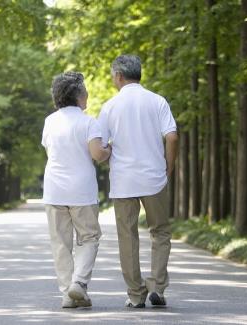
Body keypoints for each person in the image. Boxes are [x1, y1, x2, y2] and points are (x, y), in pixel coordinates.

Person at [98, 55, 178, 308]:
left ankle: (136, 294)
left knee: (128, 236)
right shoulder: (158, 101)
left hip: (123, 181)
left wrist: (109, 151)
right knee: (160, 232)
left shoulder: (110, 106)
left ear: (119, 76)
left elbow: (100, 147)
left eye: (113, 76)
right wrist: (169, 167)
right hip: (154, 177)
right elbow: (172, 137)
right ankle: (157, 287)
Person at [42, 71, 111, 308]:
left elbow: (50, 151)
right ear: (79, 95)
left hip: (54, 190)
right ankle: (79, 283)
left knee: (60, 243)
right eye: (85, 90)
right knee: (89, 238)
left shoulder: (50, 121)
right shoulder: (88, 121)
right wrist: (109, 149)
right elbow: (97, 154)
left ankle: (66, 294)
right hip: (81, 191)